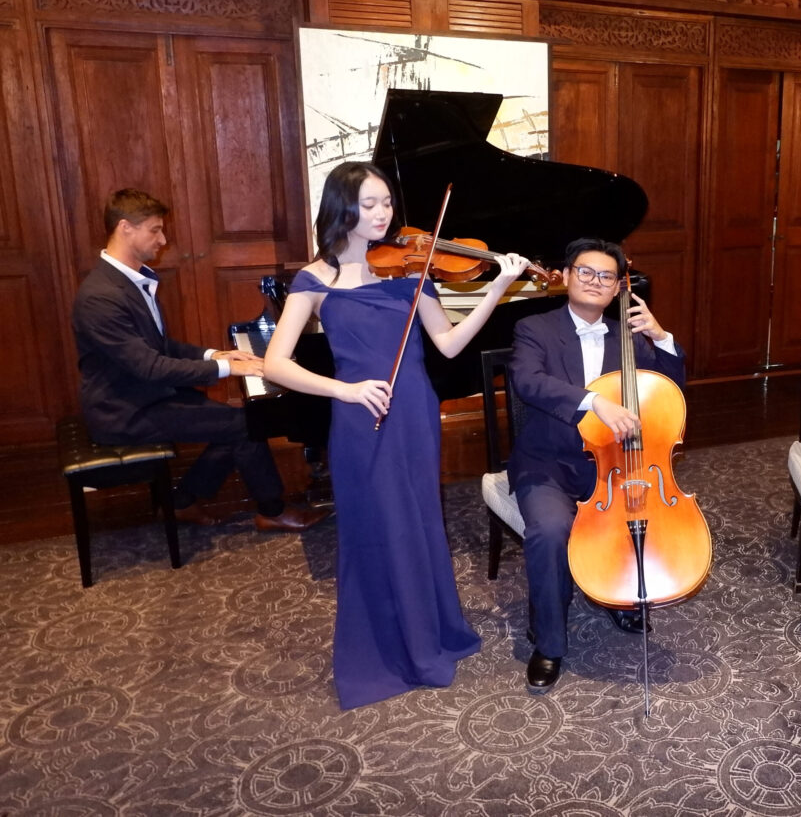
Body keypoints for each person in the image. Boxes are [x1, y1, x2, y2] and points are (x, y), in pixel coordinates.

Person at [262, 162, 530, 708]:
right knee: (375, 526)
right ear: (342, 208)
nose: (383, 214)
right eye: (369, 204)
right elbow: (275, 364)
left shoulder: (412, 270)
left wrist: (498, 287)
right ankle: (387, 644)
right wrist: (344, 389)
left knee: (419, 520)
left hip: (414, 412)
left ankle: (428, 634)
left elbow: (449, 344)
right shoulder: (315, 279)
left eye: (386, 202)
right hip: (359, 417)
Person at [71, 188, 320, 532]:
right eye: (155, 230)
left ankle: (184, 501)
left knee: (237, 422)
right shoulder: (101, 297)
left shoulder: (126, 281)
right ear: (125, 228)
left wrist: (214, 355)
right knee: (245, 425)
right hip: (124, 411)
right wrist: (228, 368)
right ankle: (272, 511)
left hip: (143, 395)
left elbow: (160, 346)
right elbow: (149, 366)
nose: (163, 240)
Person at [508, 238, 685, 692]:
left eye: (606, 276)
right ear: (567, 276)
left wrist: (660, 337)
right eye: (585, 271)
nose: (594, 281)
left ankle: (617, 597)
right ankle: (549, 642)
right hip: (548, 463)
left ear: (618, 287)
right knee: (550, 531)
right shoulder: (534, 328)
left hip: (615, 466)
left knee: (634, 521)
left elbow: (670, 392)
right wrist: (594, 402)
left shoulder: (631, 337)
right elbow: (528, 381)